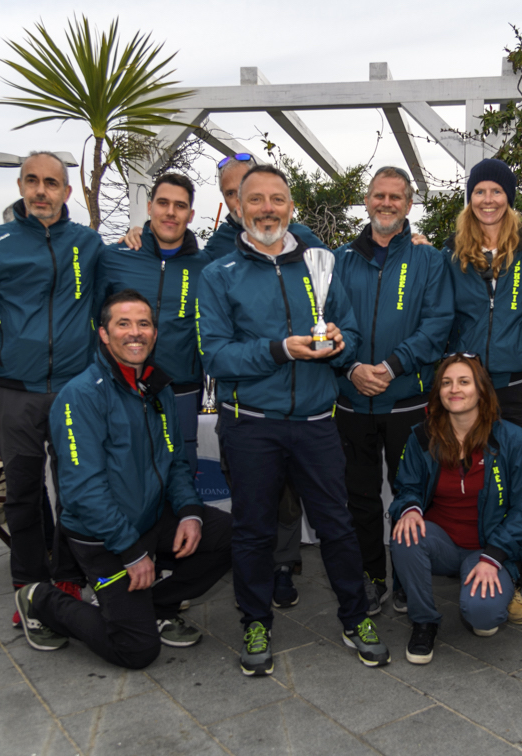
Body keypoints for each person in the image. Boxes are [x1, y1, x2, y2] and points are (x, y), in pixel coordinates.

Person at [195, 164, 390, 675]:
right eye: (254, 199)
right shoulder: (218, 275)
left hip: (317, 421)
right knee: (254, 531)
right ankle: (254, 621)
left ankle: (355, 619)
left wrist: (344, 345)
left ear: (291, 207)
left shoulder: (319, 264)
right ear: (237, 207)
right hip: (250, 424)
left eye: (276, 199)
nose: (266, 209)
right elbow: (215, 355)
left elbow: (347, 328)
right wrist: (281, 350)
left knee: (338, 526)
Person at [14, 290, 233, 667]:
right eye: (124, 324)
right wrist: (130, 551)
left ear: (155, 332)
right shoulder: (81, 395)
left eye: (144, 324)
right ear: (104, 334)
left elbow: (177, 462)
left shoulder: (156, 388)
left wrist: (190, 513)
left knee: (238, 533)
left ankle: (157, 606)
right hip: (103, 537)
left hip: (149, 517)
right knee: (135, 650)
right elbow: (83, 492)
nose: (136, 333)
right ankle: (40, 599)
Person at [0, 151, 102, 621]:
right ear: (20, 187)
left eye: (51, 183)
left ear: (66, 192)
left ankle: (71, 580)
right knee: (23, 492)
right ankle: (30, 587)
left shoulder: (88, 245)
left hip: (75, 388)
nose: (41, 191)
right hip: (12, 390)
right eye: (32, 181)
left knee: (77, 488)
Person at [205, 154, 327, 608]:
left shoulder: (303, 241)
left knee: (288, 498)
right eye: (239, 194)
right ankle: (255, 583)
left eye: (267, 196)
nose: (255, 206)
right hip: (243, 402)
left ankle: (283, 566)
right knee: (251, 498)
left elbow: (338, 270)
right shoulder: (216, 251)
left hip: (301, 400)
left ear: (287, 204)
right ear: (231, 200)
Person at [334, 166, 453, 616]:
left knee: (413, 493)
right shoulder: (341, 259)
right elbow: (326, 325)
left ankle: (407, 575)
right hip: (352, 400)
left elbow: (438, 323)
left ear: (408, 204)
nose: (387, 203)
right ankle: (373, 577)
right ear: (366, 200)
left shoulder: (429, 259)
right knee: (359, 496)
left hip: (408, 399)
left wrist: (389, 365)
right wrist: (350, 368)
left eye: (396, 197)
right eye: (379, 195)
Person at [441, 158, 522, 624]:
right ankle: (476, 565)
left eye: (496, 191)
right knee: (478, 481)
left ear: (509, 197)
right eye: (479, 191)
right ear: (470, 197)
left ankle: (512, 581)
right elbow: (443, 313)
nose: (487, 199)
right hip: (470, 388)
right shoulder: (452, 248)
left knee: (518, 486)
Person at [389, 354, 522, 664]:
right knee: (405, 533)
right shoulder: (423, 435)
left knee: (483, 616)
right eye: (446, 383)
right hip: (441, 542)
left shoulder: (511, 439)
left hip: (488, 548)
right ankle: (423, 621)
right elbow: (407, 488)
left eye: (463, 382)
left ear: (481, 390)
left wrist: (494, 556)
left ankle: (496, 584)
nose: (454, 389)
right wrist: (410, 509)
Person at [100, 173, 217, 483]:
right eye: (163, 203)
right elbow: (92, 321)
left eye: (180, 206)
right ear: (150, 207)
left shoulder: (206, 268)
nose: (170, 212)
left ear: (190, 215)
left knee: (181, 476)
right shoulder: (114, 257)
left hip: (182, 391)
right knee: (125, 477)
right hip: (122, 390)